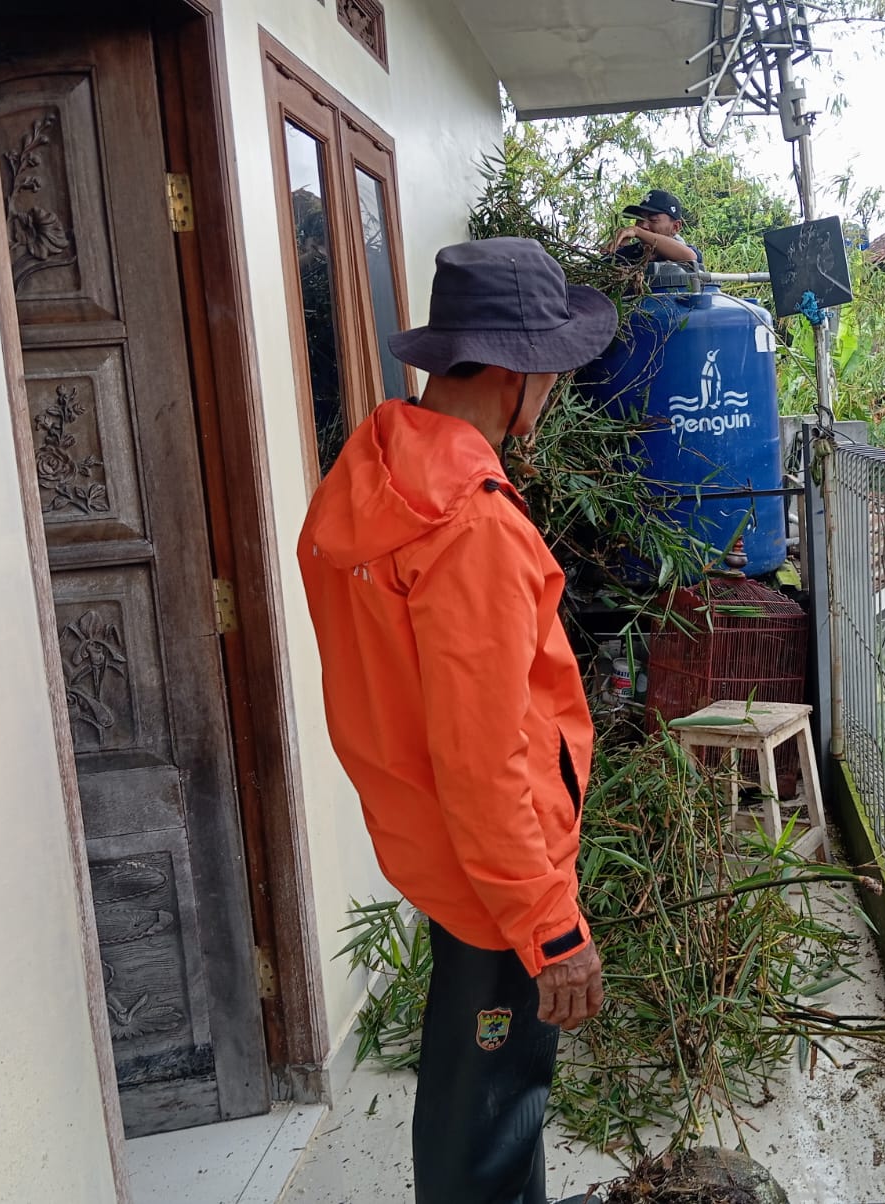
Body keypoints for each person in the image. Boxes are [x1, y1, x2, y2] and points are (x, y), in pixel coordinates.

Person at [297, 237, 618, 1204]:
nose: (554, 389)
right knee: (490, 1120)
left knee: (475, 1101)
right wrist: (551, 928)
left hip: (437, 849)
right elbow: (482, 760)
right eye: (551, 369)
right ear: (516, 374)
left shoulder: (368, 474)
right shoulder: (471, 527)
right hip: (496, 878)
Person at [603, 187, 702, 267]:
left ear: (675, 227)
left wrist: (637, 231)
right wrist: (613, 250)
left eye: (653, 220)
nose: (643, 226)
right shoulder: (629, 254)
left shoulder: (688, 250)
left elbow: (690, 257)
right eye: (639, 220)